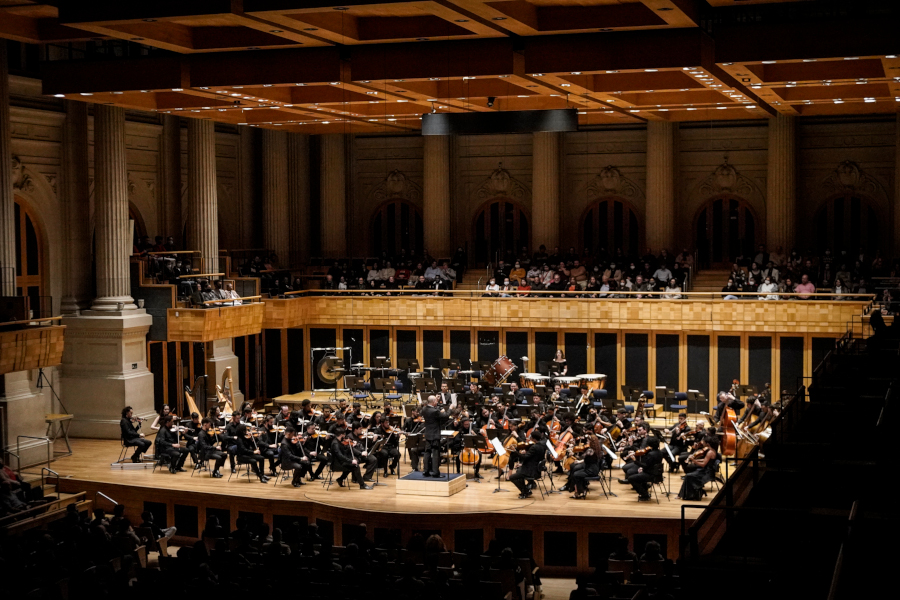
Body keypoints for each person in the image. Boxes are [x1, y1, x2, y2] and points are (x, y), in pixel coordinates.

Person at [509, 429, 546, 499]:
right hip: (536, 468)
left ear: (534, 439)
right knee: (518, 471)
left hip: (531, 471)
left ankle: (525, 491)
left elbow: (524, 457)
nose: (530, 439)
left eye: (531, 437)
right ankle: (525, 490)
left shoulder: (534, 447)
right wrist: (522, 464)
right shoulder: (542, 445)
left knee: (512, 477)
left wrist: (515, 451)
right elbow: (533, 458)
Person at [625, 437, 663, 501]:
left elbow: (645, 466)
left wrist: (635, 460)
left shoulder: (651, 454)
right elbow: (652, 465)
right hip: (658, 473)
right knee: (640, 475)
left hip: (651, 475)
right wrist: (643, 469)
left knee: (631, 478)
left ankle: (644, 494)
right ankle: (645, 491)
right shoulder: (660, 452)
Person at [421, 394, 448, 478]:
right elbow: (445, 416)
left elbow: (434, 408)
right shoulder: (435, 411)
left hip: (428, 433)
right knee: (435, 453)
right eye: (436, 401)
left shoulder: (424, 409)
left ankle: (426, 471)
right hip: (435, 434)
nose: (437, 402)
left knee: (427, 452)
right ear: (433, 402)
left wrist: (437, 402)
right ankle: (435, 472)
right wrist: (450, 409)